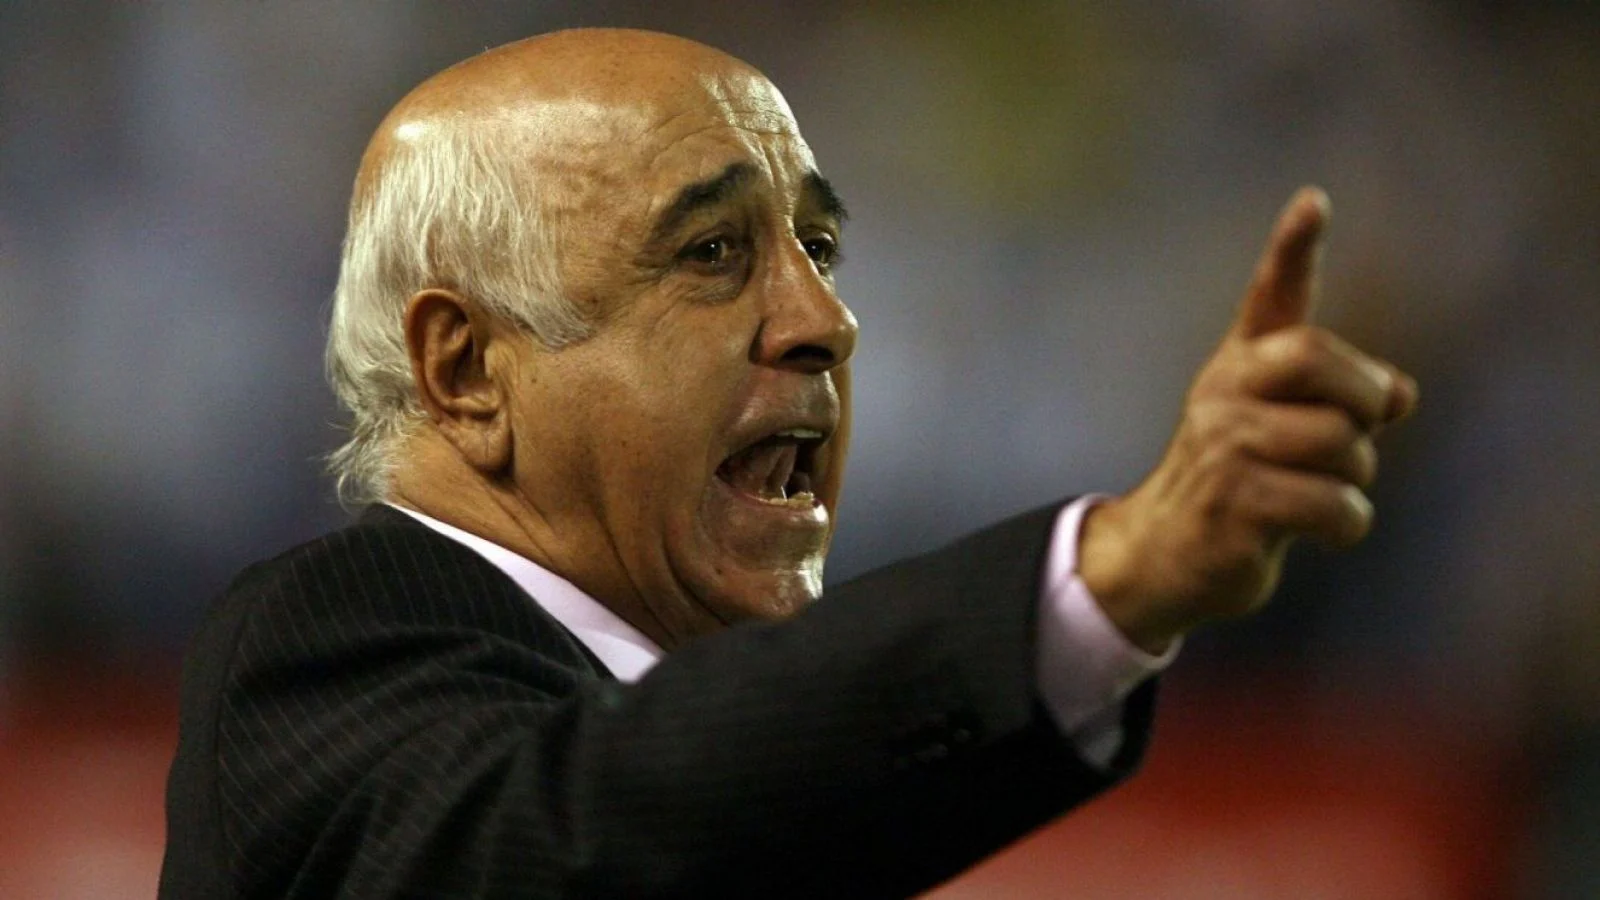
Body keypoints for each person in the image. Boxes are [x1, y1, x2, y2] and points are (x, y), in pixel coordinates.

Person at [159, 28, 1417, 899]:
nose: (826, 319)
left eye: (816, 246)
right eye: (711, 252)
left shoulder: (768, 800)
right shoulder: (321, 645)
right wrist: (1111, 575)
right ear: (468, 370)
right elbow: (584, 833)